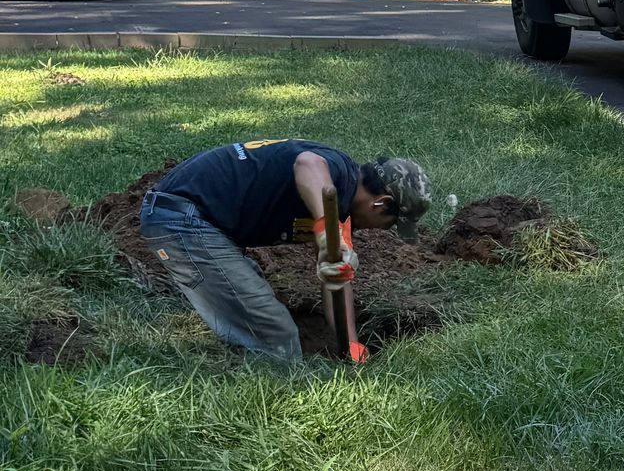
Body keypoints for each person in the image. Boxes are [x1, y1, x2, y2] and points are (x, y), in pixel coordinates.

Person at [138, 141, 431, 364]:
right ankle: (274, 398)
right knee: (276, 335)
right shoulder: (335, 173)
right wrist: (326, 231)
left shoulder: (339, 207)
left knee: (255, 306)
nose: (380, 231)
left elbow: (336, 280)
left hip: (194, 219)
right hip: (181, 219)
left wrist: (350, 343)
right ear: (381, 203)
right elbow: (306, 164)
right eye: (391, 224)